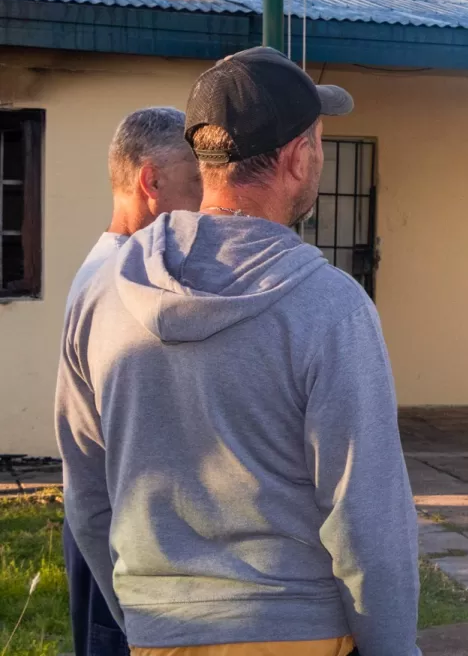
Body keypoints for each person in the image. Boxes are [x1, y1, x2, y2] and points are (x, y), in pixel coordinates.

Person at [56, 46, 421, 656]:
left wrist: (145, 616)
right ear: (299, 157)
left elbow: (88, 496)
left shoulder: (99, 293)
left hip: (157, 631)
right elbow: (368, 518)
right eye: (320, 142)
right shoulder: (331, 305)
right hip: (299, 629)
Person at [62, 106, 202, 656]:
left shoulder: (115, 268)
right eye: (197, 181)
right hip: (119, 542)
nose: (208, 201)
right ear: (151, 181)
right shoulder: (121, 283)